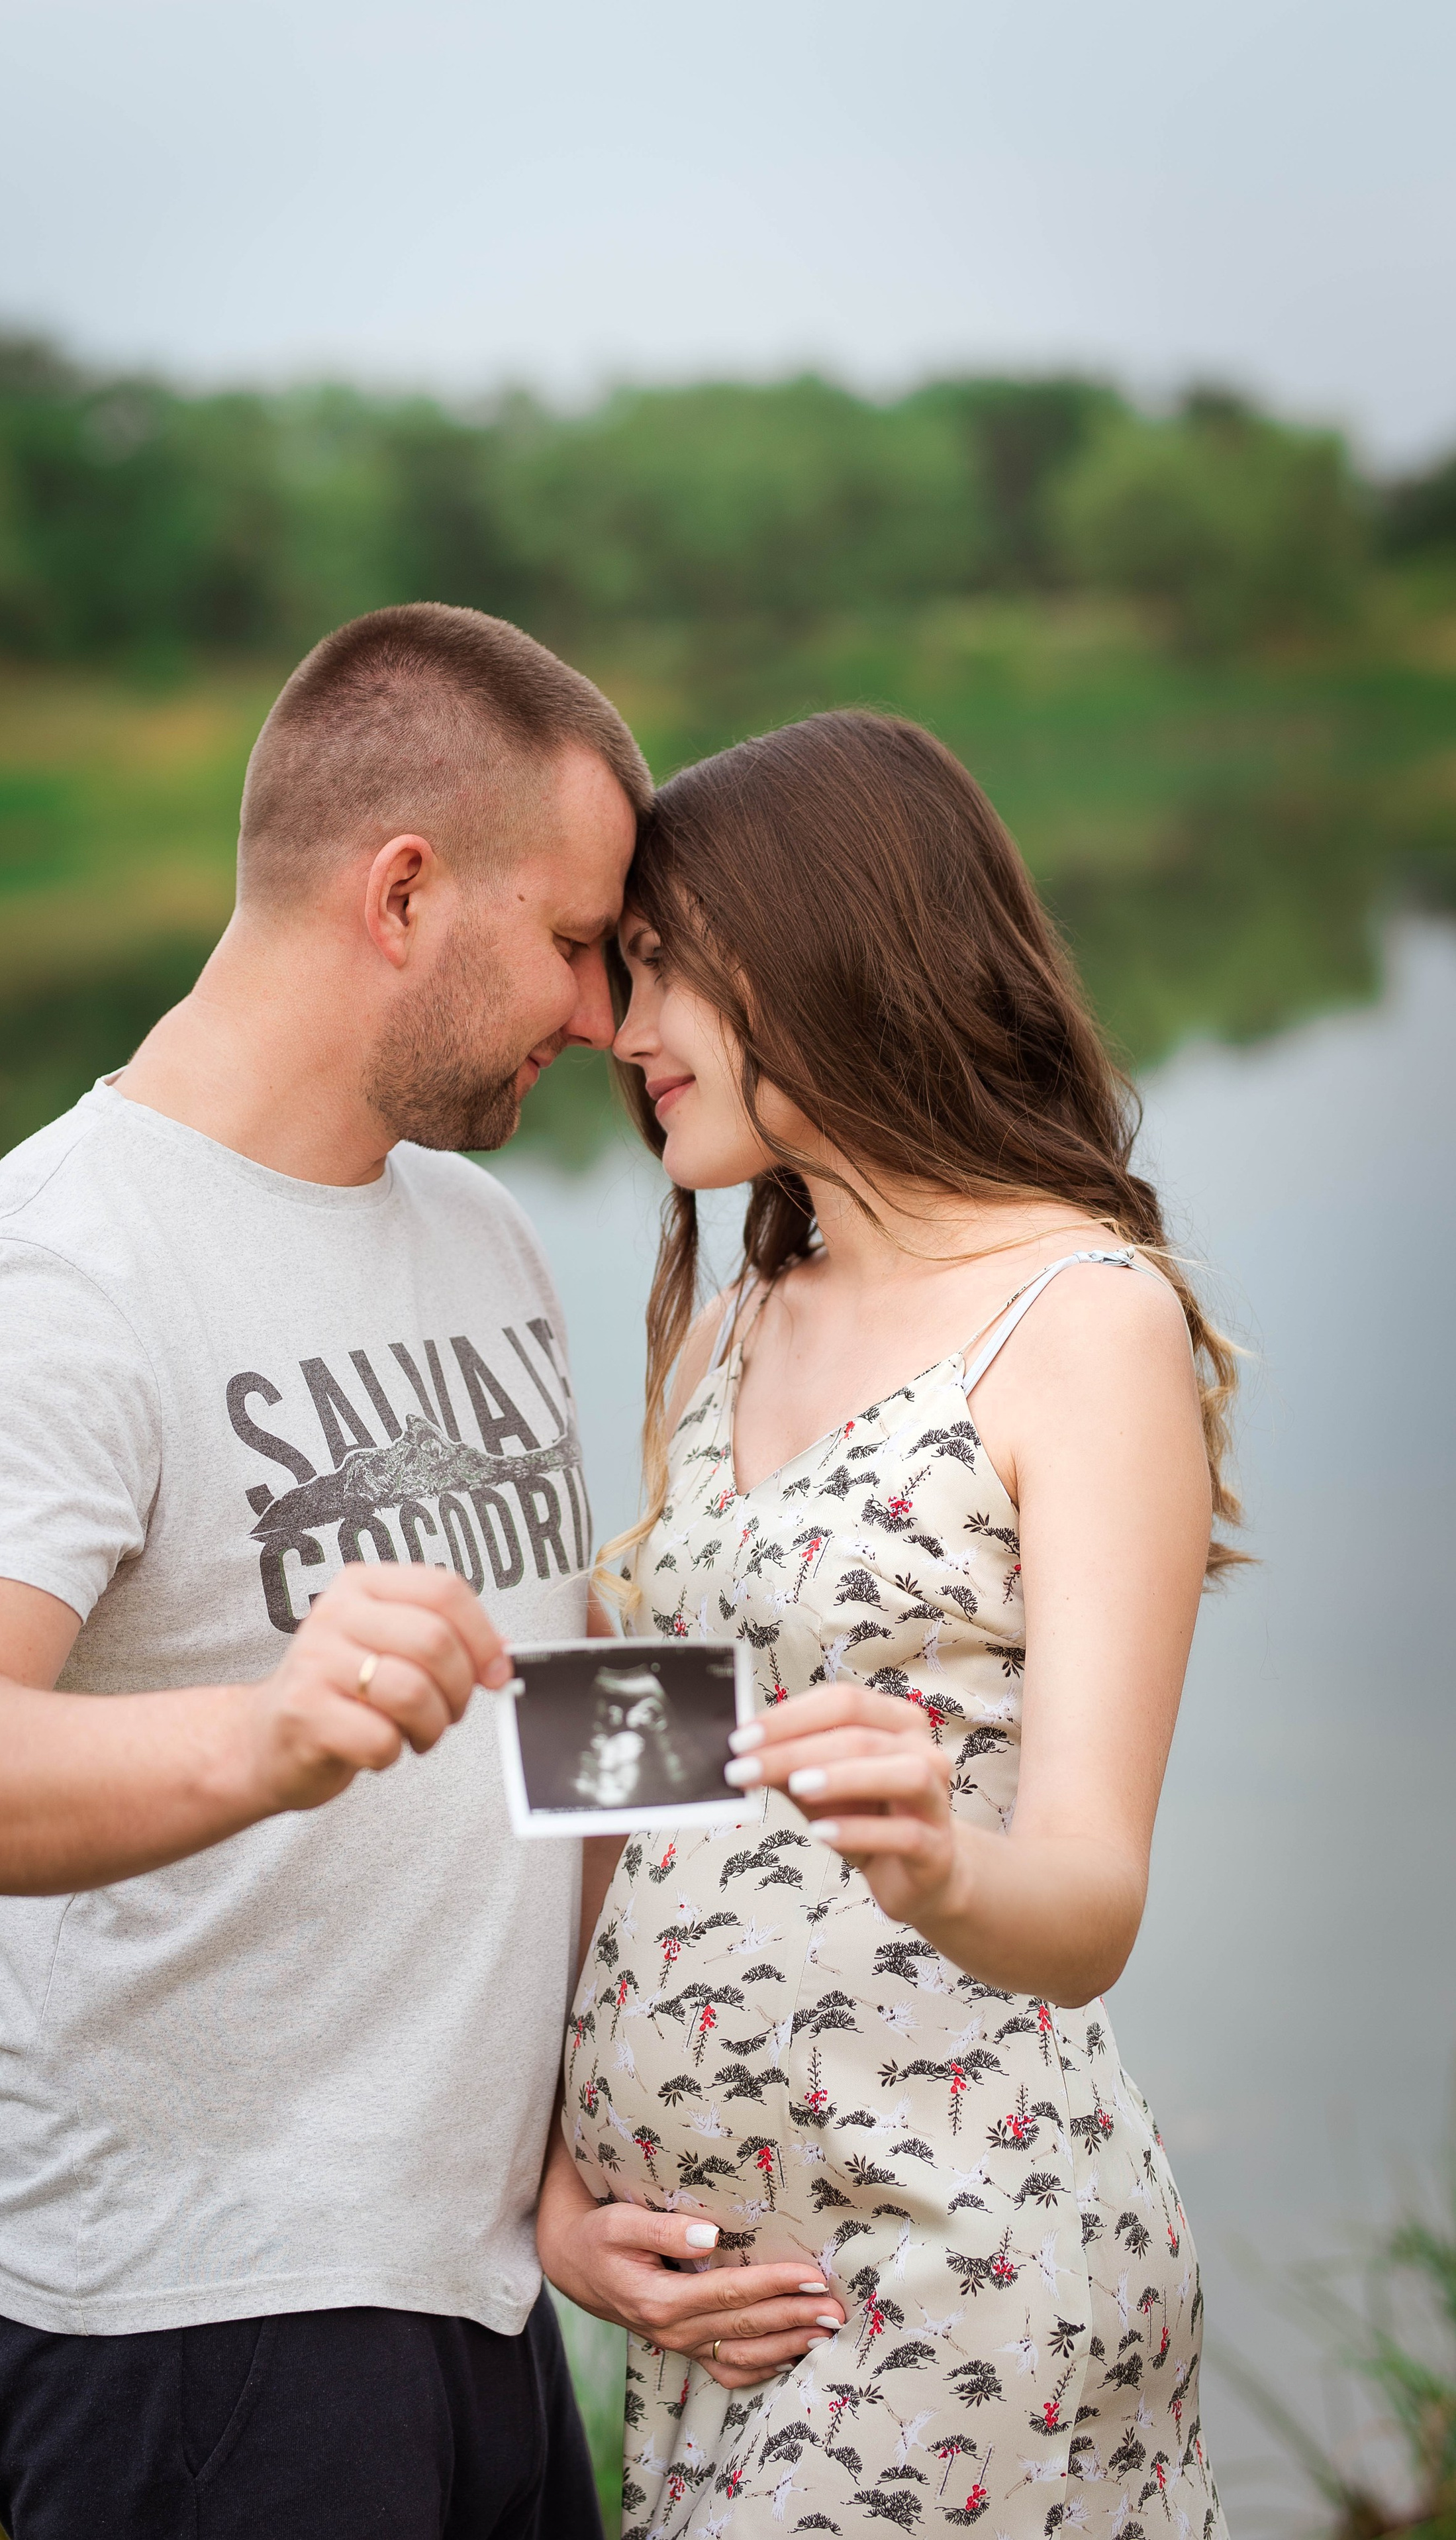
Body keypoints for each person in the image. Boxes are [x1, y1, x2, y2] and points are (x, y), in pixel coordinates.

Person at [0, 602, 678, 2540]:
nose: (600, 1018)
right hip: (192, 2323)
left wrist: (803, 1720)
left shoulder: (480, 1232)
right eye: (572, 943)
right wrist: (264, 1736)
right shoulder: (62, 1266)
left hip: (476, 2279)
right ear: (403, 892)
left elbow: (553, 1704)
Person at [538, 711, 1236, 2536]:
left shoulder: (1083, 1319)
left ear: (814, 946)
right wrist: (552, 2184)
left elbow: (1090, 1905)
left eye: (661, 971)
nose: (622, 1029)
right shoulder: (726, 1322)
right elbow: (621, 1797)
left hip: (960, 2276)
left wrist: (935, 1860)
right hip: (717, 2308)